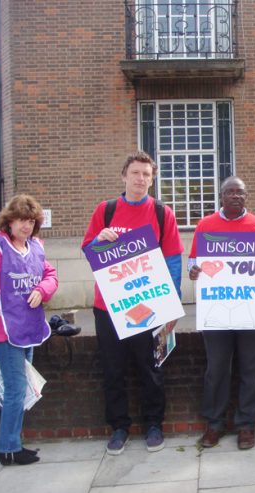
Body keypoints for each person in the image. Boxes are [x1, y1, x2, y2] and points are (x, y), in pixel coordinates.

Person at [82, 151, 183, 455]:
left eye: (146, 175)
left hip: (148, 306)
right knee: (113, 370)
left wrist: (173, 307)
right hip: (109, 307)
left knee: (150, 368)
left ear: (152, 180)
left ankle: (154, 424)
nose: (141, 179)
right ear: (123, 176)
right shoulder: (106, 210)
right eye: (135, 173)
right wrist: (100, 239)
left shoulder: (163, 213)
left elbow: (173, 260)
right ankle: (119, 428)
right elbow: (89, 249)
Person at [188, 176, 255, 450]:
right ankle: (214, 424)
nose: (235, 197)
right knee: (216, 369)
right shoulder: (205, 225)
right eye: (230, 192)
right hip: (217, 311)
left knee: (253, 369)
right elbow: (194, 260)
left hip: (251, 310)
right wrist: (193, 269)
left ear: (246, 197)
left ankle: (246, 425)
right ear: (220, 197)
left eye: (240, 193)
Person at [0, 194, 58, 465]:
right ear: (9, 222)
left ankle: (13, 443)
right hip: (4, 331)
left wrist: (42, 290)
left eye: (31, 221)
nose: (26, 226)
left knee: (23, 390)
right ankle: (8, 448)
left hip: (28, 327)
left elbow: (50, 275)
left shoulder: (35, 248)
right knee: (16, 389)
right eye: (21, 220)